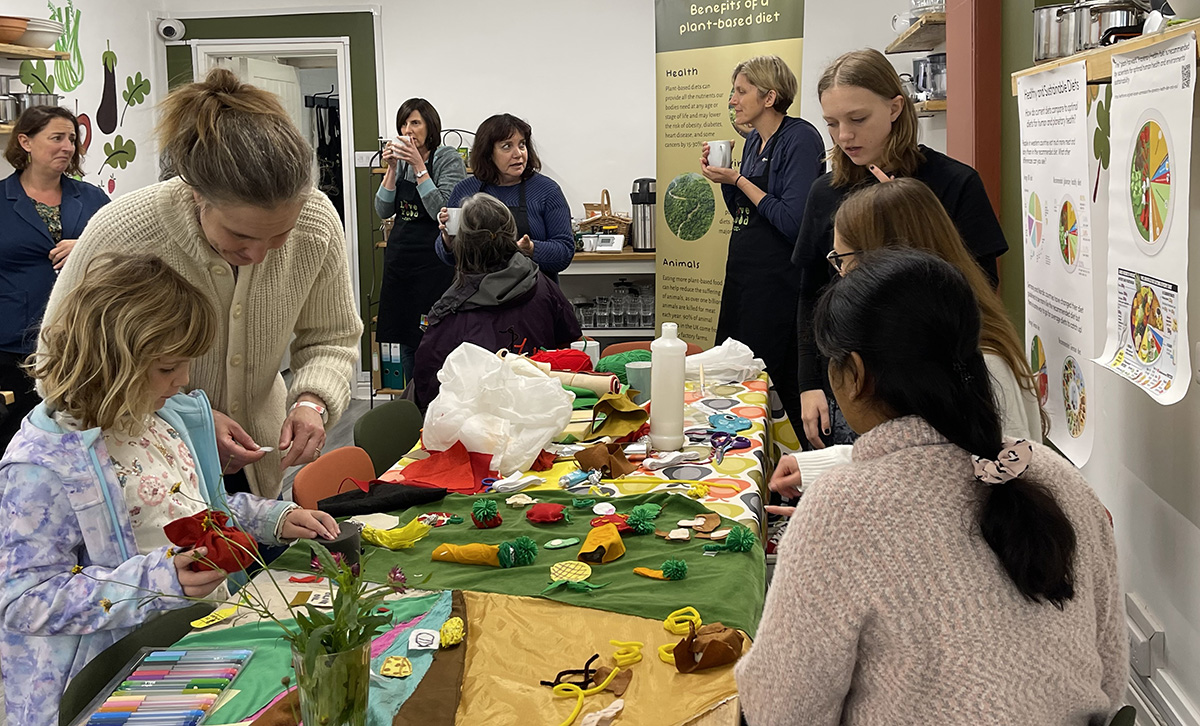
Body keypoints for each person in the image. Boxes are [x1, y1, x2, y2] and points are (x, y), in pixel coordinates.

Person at [738, 249, 1125, 724]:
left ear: (854, 374)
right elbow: (1109, 676)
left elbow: (780, 712)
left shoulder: (842, 508)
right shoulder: (1054, 473)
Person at [0, 253, 340, 726]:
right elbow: (22, 601)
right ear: (110, 362)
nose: (183, 380)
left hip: (198, 641)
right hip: (117, 679)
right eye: (167, 368)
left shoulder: (159, 418)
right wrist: (160, 582)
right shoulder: (42, 465)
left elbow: (192, 509)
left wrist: (272, 518)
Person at [41, 68, 363, 499]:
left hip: (255, 471)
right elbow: (57, 365)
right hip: (141, 475)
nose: (259, 255)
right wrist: (184, 418)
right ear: (196, 194)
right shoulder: (123, 232)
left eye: (279, 236)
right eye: (240, 236)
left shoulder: (317, 221)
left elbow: (333, 337)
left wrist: (312, 401)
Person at [793, 48, 1008, 449]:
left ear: (895, 107)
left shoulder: (954, 184)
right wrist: (808, 384)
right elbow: (810, 294)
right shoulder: (825, 192)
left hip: (935, 390)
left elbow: (980, 293)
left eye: (857, 119)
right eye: (832, 123)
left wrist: (906, 219)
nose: (844, 136)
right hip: (850, 388)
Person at [831, 178, 1043, 440]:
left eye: (842, 260)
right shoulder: (926, 343)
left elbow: (1003, 469)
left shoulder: (979, 362)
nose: (842, 276)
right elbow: (916, 449)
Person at [699, 55, 824, 426]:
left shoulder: (800, 138)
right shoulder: (753, 141)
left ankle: (785, 469)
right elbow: (743, 211)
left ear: (769, 97)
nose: (732, 100)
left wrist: (738, 180)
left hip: (779, 287)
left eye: (741, 91)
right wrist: (723, 180)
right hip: (744, 281)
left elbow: (792, 221)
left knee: (774, 385)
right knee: (739, 380)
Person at [0, 106, 110, 453]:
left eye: (72, 139)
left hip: (82, 339)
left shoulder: (92, 198)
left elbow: (126, 255)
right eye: (57, 138)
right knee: (16, 438)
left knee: (81, 437)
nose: (67, 146)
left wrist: (86, 246)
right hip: (15, 344)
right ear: (25, 142)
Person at [415, 193, 581, 409]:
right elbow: (572, 348)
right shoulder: (542, 285)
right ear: (512, 235)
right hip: (541, 410)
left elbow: (428, 389)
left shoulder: (449, 311)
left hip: (475, 426)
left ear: (460, 244)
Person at [374, 98, 468, 380]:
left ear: (430, 125)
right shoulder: (400, 164)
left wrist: (418, 166)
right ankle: (411, 400)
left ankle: (435, 400)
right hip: (401, 261)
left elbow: (441, 209)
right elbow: (383, 209)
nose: (408, 129)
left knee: (435, 335)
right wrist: (391, 168)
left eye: (415, 122)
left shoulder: (447, 157)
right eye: (403, 123)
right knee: (404, 334)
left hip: (435, 262)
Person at [435, 114, 574, 281]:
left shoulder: (547, 191)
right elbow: (450, 258)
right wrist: (447, 240)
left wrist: (531, 249)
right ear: (488, 153)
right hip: (480, 296)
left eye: (522, 145)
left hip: (533, 297)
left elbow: (564, 252)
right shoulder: (465, 190)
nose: (518, 154)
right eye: (507, 146)